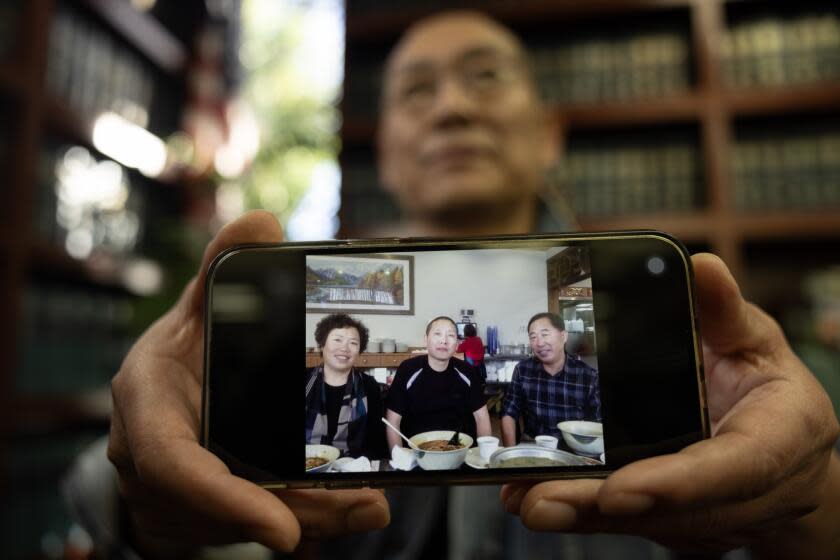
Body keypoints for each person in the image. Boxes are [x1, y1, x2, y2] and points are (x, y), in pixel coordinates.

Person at [66, 9, 840, 560]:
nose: (453, 108)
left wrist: (805, 503)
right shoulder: (306, 317)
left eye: (484, 77)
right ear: (390, 154)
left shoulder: (684, 326)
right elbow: (110, 493)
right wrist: (149, 506)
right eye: (416, 91)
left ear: (547, 135)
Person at [385, 316, 491, 448]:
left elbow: (482, 418)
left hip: (459, 450)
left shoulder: (467, 372)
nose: (444, 340)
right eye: (437, 334)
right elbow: (392, 422)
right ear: (426, 339)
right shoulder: (408, 369)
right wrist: (400, 459)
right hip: (416, 453)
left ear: (457, 344)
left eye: (450, 335)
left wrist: (484, 455)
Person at [500, 312, 600, 447]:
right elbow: (509, 412)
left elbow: (598, 423)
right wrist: (510, 453)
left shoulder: (589, 376)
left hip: (574, 448)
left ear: (564, 336)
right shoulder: (522, 370)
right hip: (533, 444)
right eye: (533, 337)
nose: (539, 343)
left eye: (545, 334)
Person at [306, 314, 387, 460]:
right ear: (322, 344)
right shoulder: (306, 380)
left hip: (353, 467)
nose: (344, 348)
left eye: (353, 343)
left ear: (359, 351)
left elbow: (376, 441)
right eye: (337, 340)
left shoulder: (369, 386)